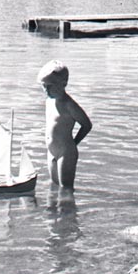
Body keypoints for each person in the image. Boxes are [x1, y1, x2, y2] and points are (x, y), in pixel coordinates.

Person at [37, 60, 92, 189]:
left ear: (63, 84)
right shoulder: (49, 102)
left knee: (65, 188)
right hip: (51, 151)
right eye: (44, 86)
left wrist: (74, 143)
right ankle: (53, 207)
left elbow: (87, 125)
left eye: (50, 86)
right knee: (54, 185)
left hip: (65, 152)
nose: (46, 90)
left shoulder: (69, 105)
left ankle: (68, 208)